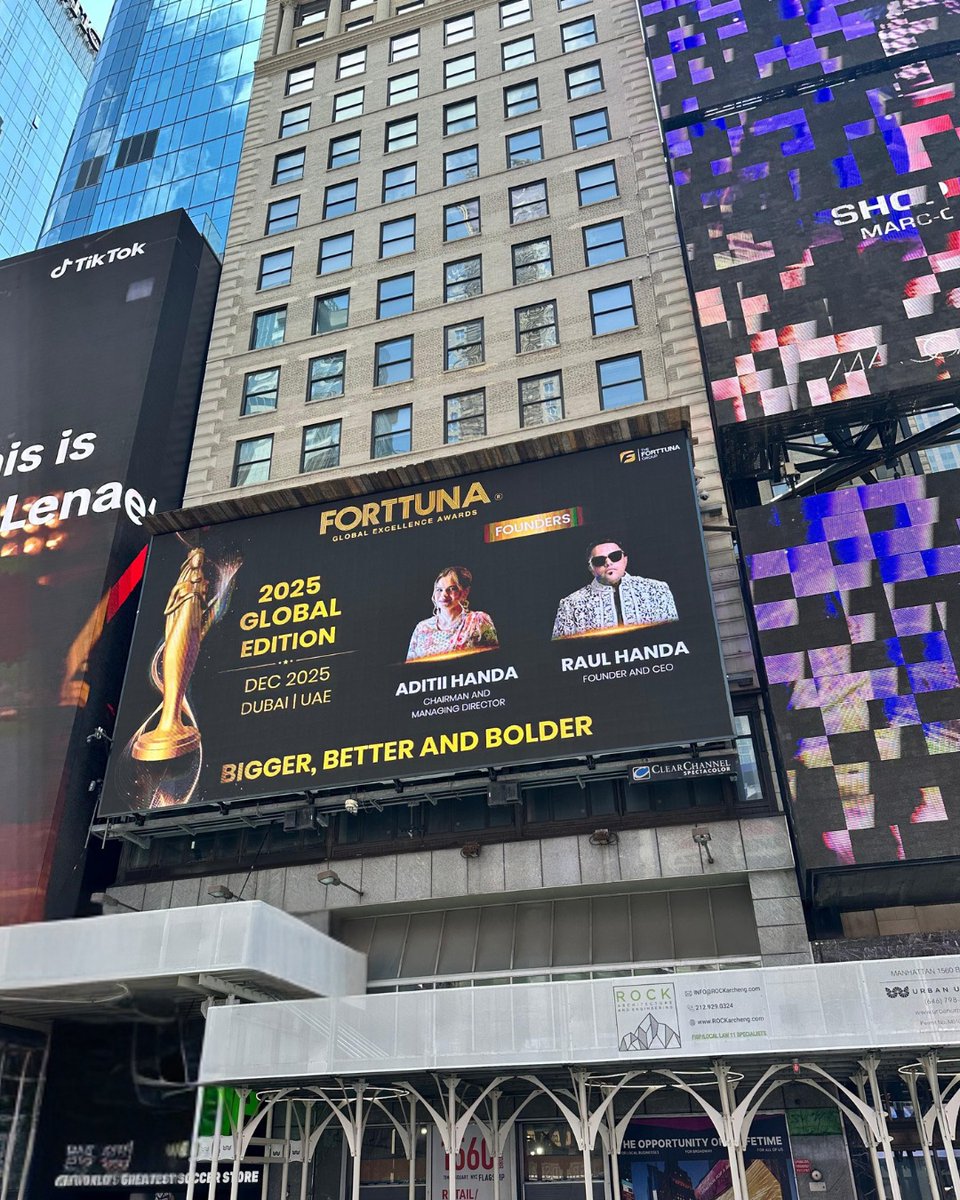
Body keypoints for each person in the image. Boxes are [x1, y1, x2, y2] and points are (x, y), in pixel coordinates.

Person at [551, 539, 677, 639]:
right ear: (591, 568)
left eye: (615, 556)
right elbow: (564, 651)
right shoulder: (570, 604)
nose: (609, 563)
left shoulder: (657, 590)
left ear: (625, 560)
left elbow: (673, 636)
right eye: (599, 560)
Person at [406, 566, 499, 662]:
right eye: (439, 590)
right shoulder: (422, 628)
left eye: (452, 589)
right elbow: (410, 669)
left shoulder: (478, 621)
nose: (444, 595)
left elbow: (493, 661)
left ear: (465, 592)